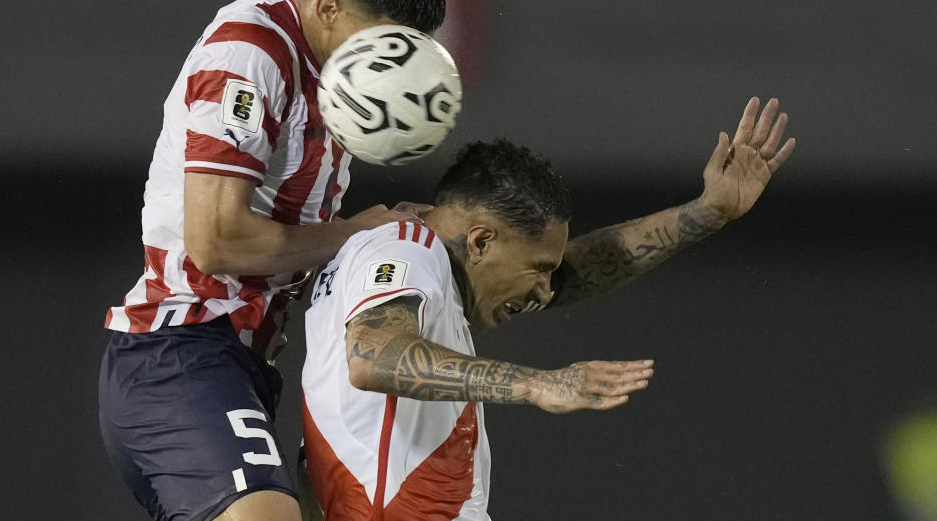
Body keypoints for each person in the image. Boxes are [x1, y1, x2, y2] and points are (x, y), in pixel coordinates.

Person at [300, 98, 794, 519]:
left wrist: (707, 213)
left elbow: (580, 269)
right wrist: (534, 384)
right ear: (480, 241)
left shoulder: (426, 272)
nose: (545, 291)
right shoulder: (404, 249)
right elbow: (373, 355)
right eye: (537, 268)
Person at [98, 0, 446, 521]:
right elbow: (217, 241)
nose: (382, 74)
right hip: (177, 354)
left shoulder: (335, 82)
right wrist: (356, 233)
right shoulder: (251, 50)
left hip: (242, 368)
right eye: (376, 49)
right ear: (328, 7)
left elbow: (296, 245)